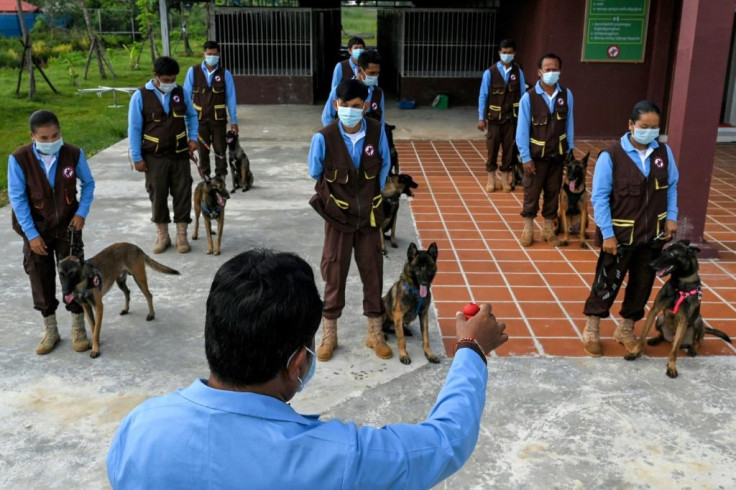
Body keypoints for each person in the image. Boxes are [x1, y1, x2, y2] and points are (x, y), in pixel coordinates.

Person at [106, 250, 508, 489]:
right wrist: (471, 348)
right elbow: (445, 442)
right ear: (298, 364)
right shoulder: (335, 458)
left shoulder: (139, 428)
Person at [581, 100, 678, 356]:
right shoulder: (611, 156)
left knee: (642, 283)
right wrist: (608, 234)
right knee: (606, 282)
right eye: (644, 126)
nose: (649, 132)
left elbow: (672, 187)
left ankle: (625, 329)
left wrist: (672, 217)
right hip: (621, 236)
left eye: (655, 127)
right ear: (631, 125)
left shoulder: (664, 154)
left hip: (652, 236)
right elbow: (599, 198)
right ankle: (592, 328)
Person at [308, 79, 391, 362]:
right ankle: (329, 334)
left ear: (365, 106)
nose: (351, 111)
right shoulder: (324, 137)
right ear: (336, 105)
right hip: (338, 217)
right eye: (345, 106)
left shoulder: (377, 132)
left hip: (368, 216)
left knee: (373, 270)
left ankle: (374, 333)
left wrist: (372, 196)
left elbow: (385, 164)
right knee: (334, 270)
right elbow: (314, 170)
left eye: (357, 107)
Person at [8, 110, 95, 355]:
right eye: (44, 138)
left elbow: (88, 184)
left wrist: (82, 212)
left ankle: (79, 327)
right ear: (33, 136)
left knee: (74, 276)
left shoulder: (73, 153)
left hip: (68, 228)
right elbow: (17, 198)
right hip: (36, 229)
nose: (50, 141)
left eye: (55, 135)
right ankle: (51, 329)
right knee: (39, 276)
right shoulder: (19, 159)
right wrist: (31, 235)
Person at [129, 56, 199, 254]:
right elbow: (134, 128)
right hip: (154, 156)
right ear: (155, 76)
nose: (170, 83)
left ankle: (181, 235)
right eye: (166, 80)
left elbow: (192, 116)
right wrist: (137, 157)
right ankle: (162, 235)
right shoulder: (140, 96)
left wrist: (193, 138)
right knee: (157, 194)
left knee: (183, 192)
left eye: (173, 79)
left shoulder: (181, 92)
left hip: (179, 154)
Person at [515, 52, 574, 247]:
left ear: (560, 71)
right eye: (547, 70)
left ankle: (548, 229)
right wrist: (525, 157)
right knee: (531, 192)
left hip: (557, 155)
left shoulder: (566, 95)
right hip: (535, 156)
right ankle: (528, 228)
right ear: (539, 72)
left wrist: (570, 153)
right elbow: (522, 131)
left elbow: (569, 126)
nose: (551, 73)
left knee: (553, 191)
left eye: (555, 69)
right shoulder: (528, 98)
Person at [183, 40, 239, 179]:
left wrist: (234, 120)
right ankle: (206, 178)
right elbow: (186, 97)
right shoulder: (193, 72)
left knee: (220, 149)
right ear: (204, 54)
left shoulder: (225, 74)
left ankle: (221, 178)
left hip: (218, 120)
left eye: (214, 54)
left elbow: (231, 99)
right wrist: (184, 121)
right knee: (203, 151)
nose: (211, 57)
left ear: (219, 54)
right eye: (209, 54)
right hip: (199, 120)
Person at [477, 38, 526, 193]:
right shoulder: (490, 72)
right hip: (494, 119)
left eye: (510, 53)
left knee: (509, 150)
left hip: (512, 119)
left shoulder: (518, 72)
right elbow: (483, 95)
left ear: (515, 53)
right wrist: (481, 117)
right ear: (499, 53)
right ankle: (491, 179)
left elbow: (523, 96)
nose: (507, 55)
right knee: (492, 149)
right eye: (504, 53)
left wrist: (525, 119)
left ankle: (505, 179)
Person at [322, 49, 384, 129]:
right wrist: (333, 136)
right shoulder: (340, 89)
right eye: (371, 73)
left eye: (377, 73)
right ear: (360, 70)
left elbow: (381, 121)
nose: (375, 77)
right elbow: (327, 117)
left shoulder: (378, 93)